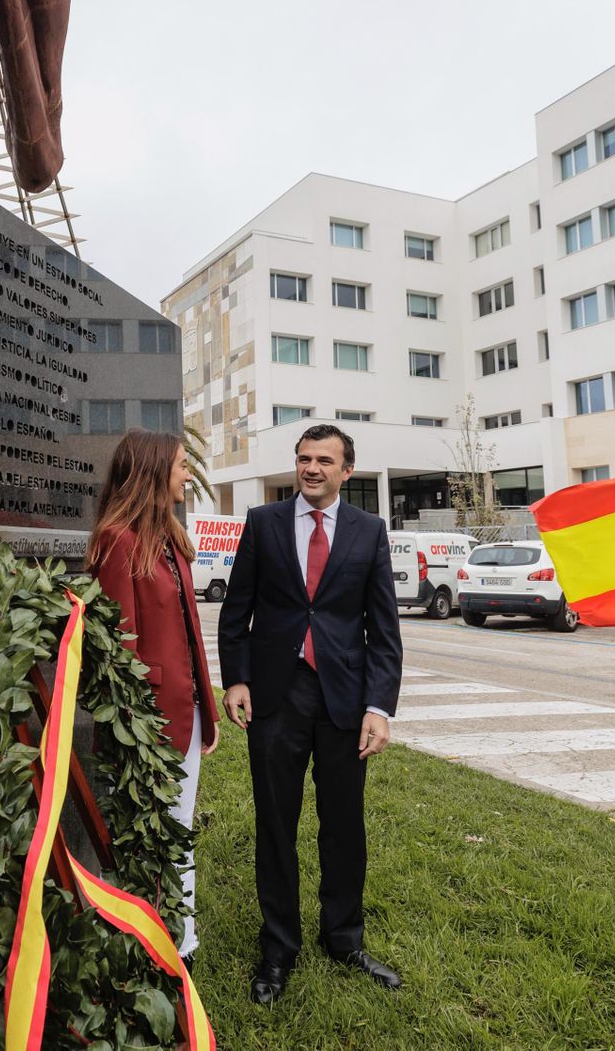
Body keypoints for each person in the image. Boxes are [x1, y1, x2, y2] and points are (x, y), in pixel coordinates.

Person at [216, 424, 404, 1004]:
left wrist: (379, 707)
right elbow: (237, 609)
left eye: (325, 460)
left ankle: (343, 937)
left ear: (348, 470)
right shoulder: (263, 524)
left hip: (344, 699)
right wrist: (238, 678)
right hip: (277, 695)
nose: (312, 468)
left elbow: (383, 629)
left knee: (344, 824)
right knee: (277, 823)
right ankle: (278, 947)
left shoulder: (370, 532)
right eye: (304, 459)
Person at [86, 429, 221, 961]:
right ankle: (164, 945)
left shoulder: (169, 537)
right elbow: (118, 649)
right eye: (182, 465)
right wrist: (133, 728)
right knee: (158, 831)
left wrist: (202, 710)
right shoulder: (118, 540)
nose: (188, 474)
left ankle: (175, 939)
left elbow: (187, 632)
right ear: (152, 471)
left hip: (183, 712)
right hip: (147, 721)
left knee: (179, 826)